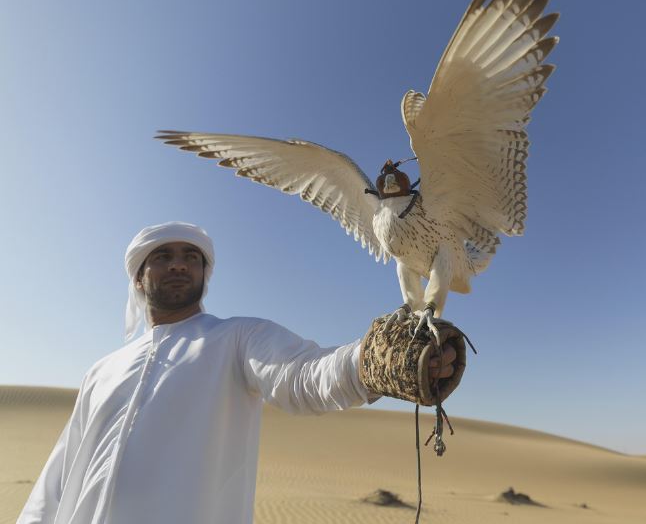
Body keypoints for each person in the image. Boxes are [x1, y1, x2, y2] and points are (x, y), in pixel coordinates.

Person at [18, 221, 457, 524]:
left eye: (192, 256)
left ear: (205, 274)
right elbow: (58, 475)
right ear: (138, 277)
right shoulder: (102, 370)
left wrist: (370, 364)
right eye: (163, 256)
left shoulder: (237, 339)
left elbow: (302, 377)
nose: (178, 264)